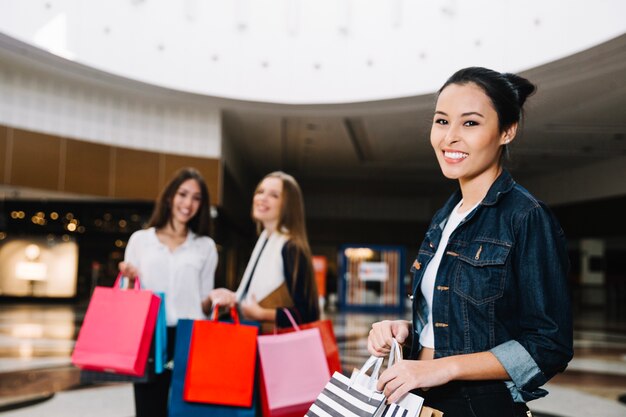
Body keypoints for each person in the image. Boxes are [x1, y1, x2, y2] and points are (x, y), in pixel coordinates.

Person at [367, 67, 573, 417]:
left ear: (507, 131)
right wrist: (407, 332)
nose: (450, 137)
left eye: (471, 123)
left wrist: (446, 367)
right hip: (420, 401)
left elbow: (548, 344)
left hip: (480, 407)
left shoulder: (525, 216)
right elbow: (455, 322)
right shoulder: (445, 218)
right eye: (442, 121)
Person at [118, 167, 218, 417]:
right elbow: (128, 299)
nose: (188, 203)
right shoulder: (141, 240)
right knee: (148, 410)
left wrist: (217, 299)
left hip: (190, 337)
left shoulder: (205, 246)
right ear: (170, 197)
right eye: (183, 194)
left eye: (196, 198)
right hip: (151, 335)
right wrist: (128, 280)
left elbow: (204, 300)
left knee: (188, 410)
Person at [208, 171, 319, 333]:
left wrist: (262, 314)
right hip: (259, 339)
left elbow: (308, 313)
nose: (262, 198)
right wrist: (232, 297)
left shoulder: (290, 247)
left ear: (288, 205)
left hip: (275, 346)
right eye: (260, 192)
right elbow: (252, 296)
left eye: (274, 195)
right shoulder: (265, 240)